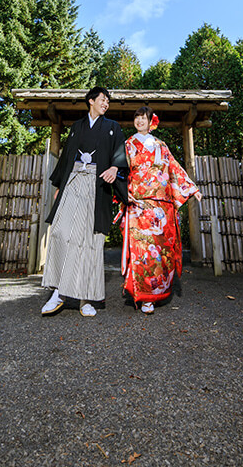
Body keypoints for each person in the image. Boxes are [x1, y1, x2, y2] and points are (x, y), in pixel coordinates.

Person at [41, 87, 127, 317]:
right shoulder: (77, 127)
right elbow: (68, 155)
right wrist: (60, 186)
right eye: (102, 99)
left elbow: (120, 152)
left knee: (90, 240)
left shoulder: (112, 127)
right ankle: (58, 291)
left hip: (97, 185)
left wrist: (114, 167)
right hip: (74, 181)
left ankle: (85, 298)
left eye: (108, 101)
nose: (106, 103)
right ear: (91, 101)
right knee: (60, 232)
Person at [119, 105, 201, 314]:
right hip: (138, 204)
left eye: (143, 117)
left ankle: (157, 293)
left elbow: (173, 167)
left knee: (160, 254)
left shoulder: (160, 145)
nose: (139, 121)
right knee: (141, 252)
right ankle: (143, 295)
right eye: (136, 117)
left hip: (160, 208)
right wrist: (122, 192)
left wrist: (191, 188)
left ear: (150, 121)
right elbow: (119, 170)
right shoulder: (127, 145)